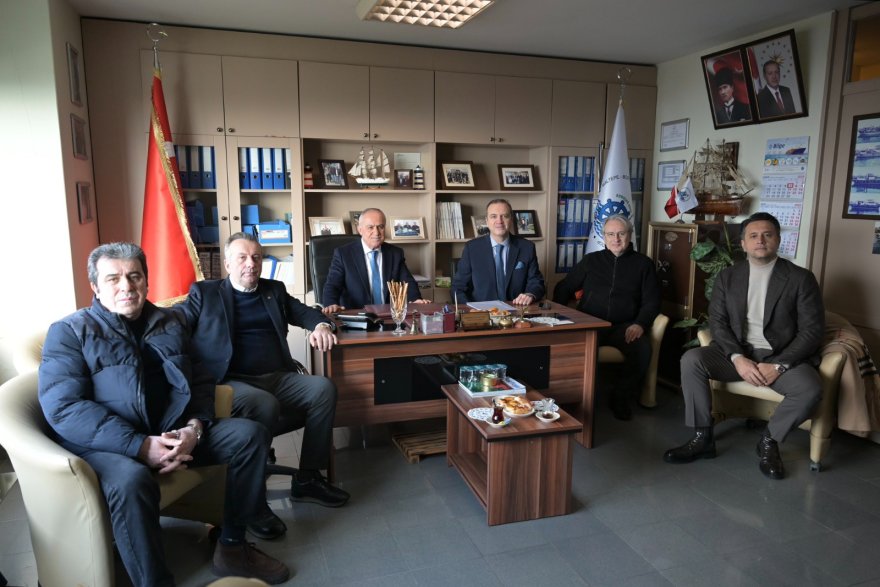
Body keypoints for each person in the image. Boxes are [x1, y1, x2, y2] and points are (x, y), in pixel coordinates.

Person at [38, 243, 289, 586]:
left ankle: (232, 546)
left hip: (171, 432)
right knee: (131, 480)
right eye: (113, 279)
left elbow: (201, 380)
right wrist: (140, 446)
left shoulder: (169, 322)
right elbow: (64, 407)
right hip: (107, 445)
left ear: (146, 281)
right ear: (95, 287)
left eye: (134, 276)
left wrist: (194, 428)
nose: (126, 286)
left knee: (250, 435)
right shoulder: (69, 332)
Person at [178, 232, 350, 520]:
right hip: (231, 382)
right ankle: (252, 496)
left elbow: (306, 313)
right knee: (264, 403)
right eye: (242, 258)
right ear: (228, 264)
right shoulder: (205, 293)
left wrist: (322, 326)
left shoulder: (274, 290)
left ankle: (308, 478)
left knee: (323, 389)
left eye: (256, 257)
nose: (251, 264)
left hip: (277, 377)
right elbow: (176, 322)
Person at [663, 213, 825, 480]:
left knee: (810, 388)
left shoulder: (800, 278)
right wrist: (737, 357)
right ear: (743, 243)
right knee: (692, 360)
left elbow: (812, 331)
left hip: (780, 355)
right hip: (739, 353)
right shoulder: (728, 277)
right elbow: (718, 322)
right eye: (753, 235)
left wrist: (779, 365)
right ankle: (703, 437)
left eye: (767, 235)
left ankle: (769, 441)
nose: (760, 240)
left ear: (778, 240)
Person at [552, 214, 660, 420]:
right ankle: (575, 398)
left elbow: (652, 302)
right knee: (567, 349)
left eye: (621, 233)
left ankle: (620, 397)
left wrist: (640, 324)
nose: (616, 239)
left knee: (642, 349)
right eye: (610, 234)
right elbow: (564, 287)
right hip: (591, 324)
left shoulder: (644, 264)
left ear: (630, 235)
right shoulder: (591, 261)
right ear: (604, 237)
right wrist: (560, 316)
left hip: (624, 326)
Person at [322, 208, 431, 314]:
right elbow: (332, 285)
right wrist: (331, 304)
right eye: (370, 227)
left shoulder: (395, 253)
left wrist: (415, 299)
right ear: (360, 229)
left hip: (388, 315)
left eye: (380, 227)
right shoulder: (343, 254)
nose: (376, 232)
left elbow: (407, 281)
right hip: (356, 315)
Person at [452, 198, 545, 304]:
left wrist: (530, 294)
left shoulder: (527, 247)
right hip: (482, 311)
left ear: (511, 219)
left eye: (504, 216)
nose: (499, 221)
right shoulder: (472, 248)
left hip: (517, 309)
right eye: (493, 216)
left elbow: (536, 282)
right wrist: (469, 309)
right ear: (487, 221)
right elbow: (458, 287)